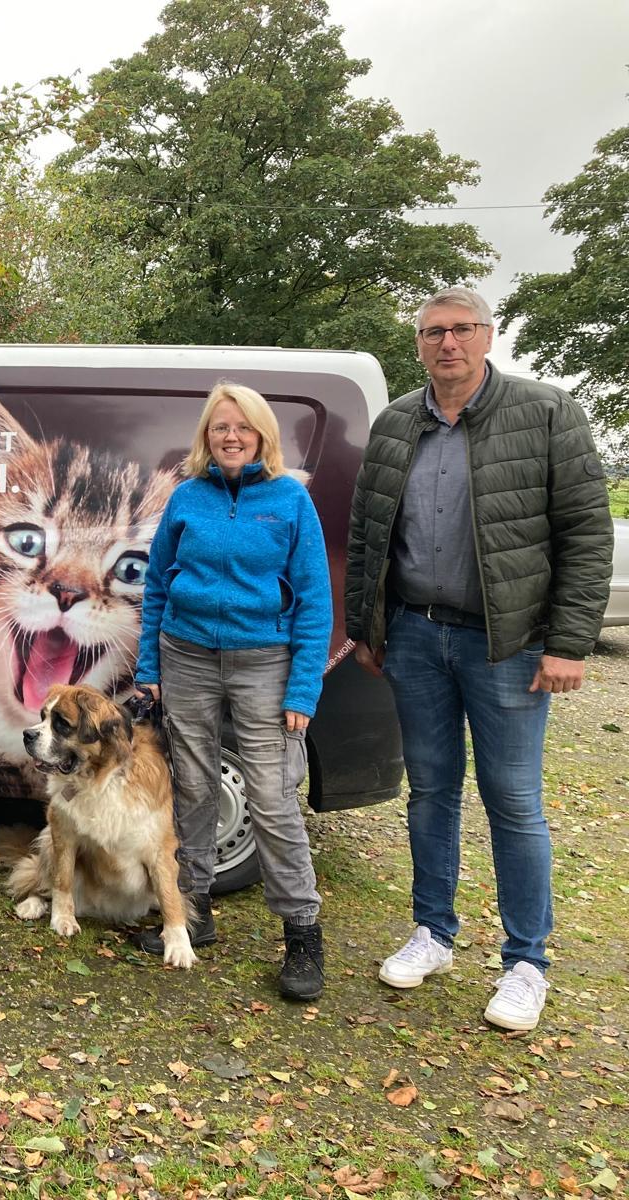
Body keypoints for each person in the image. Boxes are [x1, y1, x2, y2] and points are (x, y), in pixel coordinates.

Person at [346, 285, 612, 1032]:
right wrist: (368, 627)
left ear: (489, 336)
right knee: (430, 790)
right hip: (416, 638)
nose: (448, 343)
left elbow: (586, 533)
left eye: (462, 329)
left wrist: (569, 642)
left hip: (509, 644)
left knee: (514, 801)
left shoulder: (547, 412)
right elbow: (368, 534)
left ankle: (526, 963)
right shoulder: (397, 422)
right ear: (420, 343)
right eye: (434, 332)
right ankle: (433, 932)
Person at [133, 382, 331, 1001]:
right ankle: (192, 913)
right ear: (207, 436)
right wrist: (149, 666)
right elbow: (157, 587)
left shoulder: (290, 500)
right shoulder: (187, 497)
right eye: (220, 427)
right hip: (186, 656)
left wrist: (302, 690)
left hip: (263, 662)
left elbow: (315, 600)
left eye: (242, 426)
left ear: (262, 434)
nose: (231, 436)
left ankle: (302, 933)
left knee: (271, 799)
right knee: (193, 787)